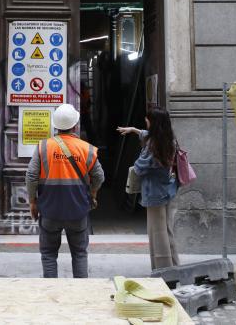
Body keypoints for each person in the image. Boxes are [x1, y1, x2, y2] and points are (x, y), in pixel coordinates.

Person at [26, 103, 104, 278]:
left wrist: (32, 202)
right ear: (75, 125)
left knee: (48, 255)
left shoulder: (43, 147)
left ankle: (51, 291)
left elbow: (31, 176)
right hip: (78, 212)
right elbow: (99, 176)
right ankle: (79, 294)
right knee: (79, 254)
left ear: (55, 125)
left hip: (49, 211)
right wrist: (92, 194)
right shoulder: (87, 149)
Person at [118, 106, 180, 270]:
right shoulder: (169, 139)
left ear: (153, 122)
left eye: (148, 119)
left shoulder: (153, 146)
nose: (145, 121)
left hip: (154, 193)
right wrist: (133, 130)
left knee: (157, 233)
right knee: (167, 230)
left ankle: (164, 270)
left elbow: (139, 167)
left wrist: (138, 158)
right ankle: (174, 266)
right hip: (168, 190)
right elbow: (147, 135)